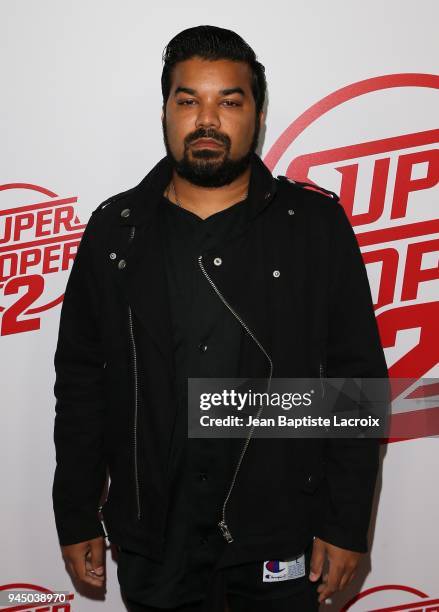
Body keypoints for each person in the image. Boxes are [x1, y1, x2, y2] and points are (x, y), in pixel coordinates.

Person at [52, 25, 389, 611]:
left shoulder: (313, 227)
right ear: (165, 112)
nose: (207, 119)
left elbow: (354, 386)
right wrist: (77, 510)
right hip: (154, 541)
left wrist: (344, 521)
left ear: (257, 115)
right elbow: (82, 385)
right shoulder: (115, 232)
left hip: (278, 536)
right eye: (189, 101)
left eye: (229, 101)